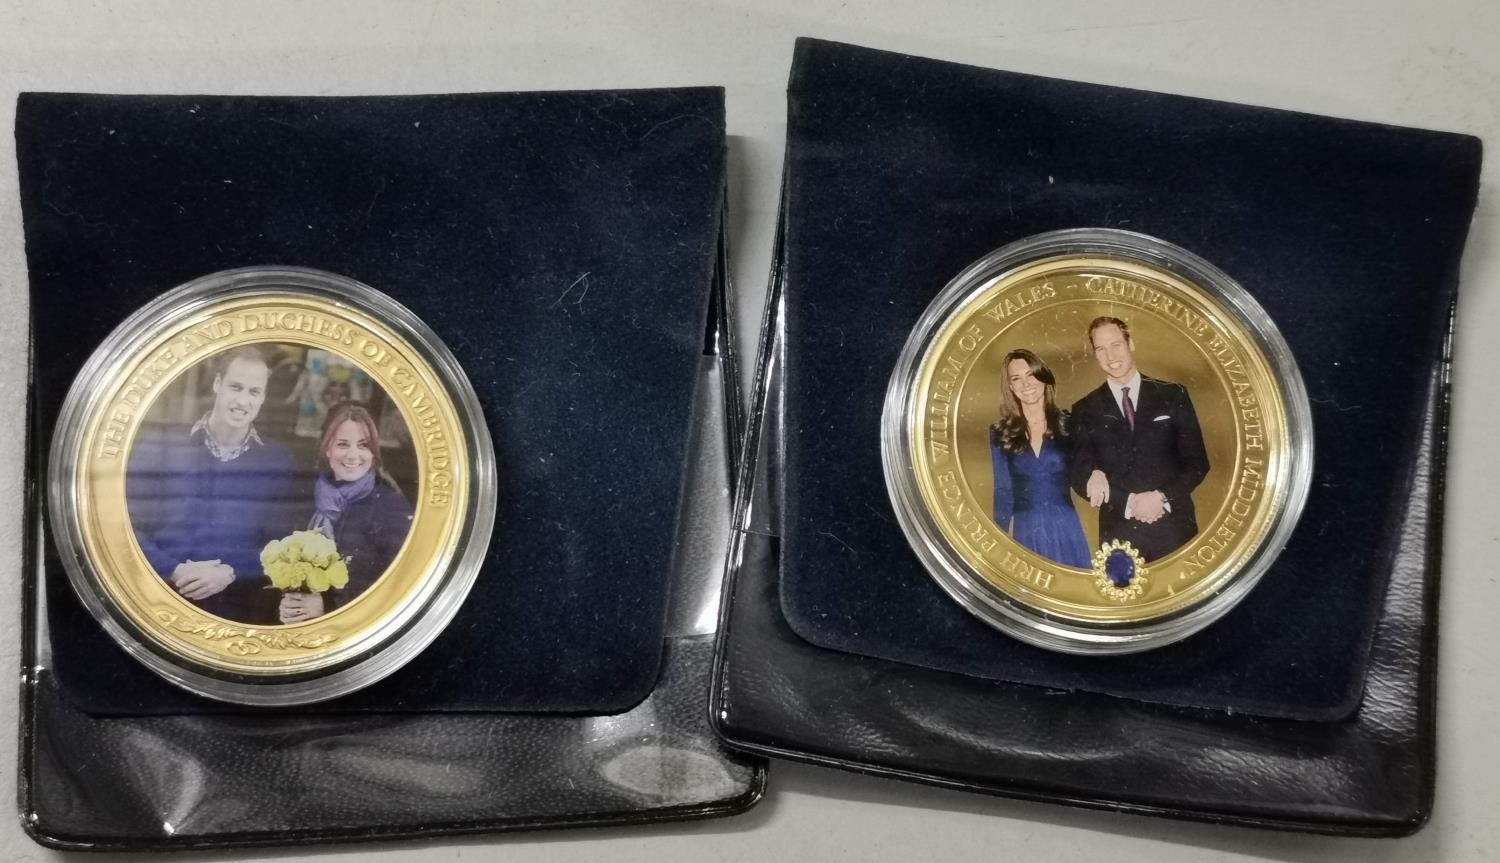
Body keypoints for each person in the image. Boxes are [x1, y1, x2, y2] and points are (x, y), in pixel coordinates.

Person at [126, 345, 297, 621]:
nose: (242, 401)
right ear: (218, 384)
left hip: (233, 610)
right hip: (155, 599)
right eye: (235, 387)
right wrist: (174, 570)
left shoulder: (277, 461)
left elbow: (279, 547)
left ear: (263, 398)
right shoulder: (161, 446)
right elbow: (124, 527)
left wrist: (231, 571)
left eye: (254, 392)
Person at [1069, 316, 1210, 562]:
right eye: (1101, 349)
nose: (1110, 356)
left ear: (1130, 343)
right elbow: (1079, 476)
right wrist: (1126, 500)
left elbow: (1197, 463)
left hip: (1175, 530)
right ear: (1094, 354)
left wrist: (1160, 497)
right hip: (1119, 535)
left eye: (1116, 345)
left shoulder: (1173, 394)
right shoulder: (1084, 409)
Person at [278, 401, 414, 624]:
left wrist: (328, 607)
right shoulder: (304, 498)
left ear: (373, 452)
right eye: (343, 444)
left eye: (363, 445)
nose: (353, 455)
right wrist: (289, 604)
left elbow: (399, 588)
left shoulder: (392, 508)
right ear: (327, 449)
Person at [989, 349, 1093, 568]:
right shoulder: (999, 433)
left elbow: (1088, 468)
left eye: (1031, 374)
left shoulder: (1069, 424)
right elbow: (1003, 491)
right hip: (1026, 532)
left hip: (1067, 530)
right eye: (1016, 379)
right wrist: (997, 544)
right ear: (1010, 387)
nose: (1026, 384)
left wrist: (1098, 473)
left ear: (1043, 377)